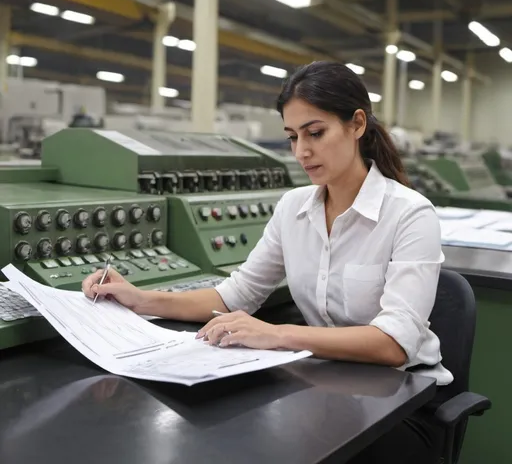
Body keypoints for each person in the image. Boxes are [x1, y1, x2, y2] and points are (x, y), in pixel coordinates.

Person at [82, 61, 452, 463]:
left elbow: (393, 345)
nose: (301, 151)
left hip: (403, 401)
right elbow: (234, 295)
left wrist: (275, 334)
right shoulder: (293, 208)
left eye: (315, 133)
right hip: (330, 386)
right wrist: (139, 298)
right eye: (293, 137)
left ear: (357, 124)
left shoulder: (410, 214)